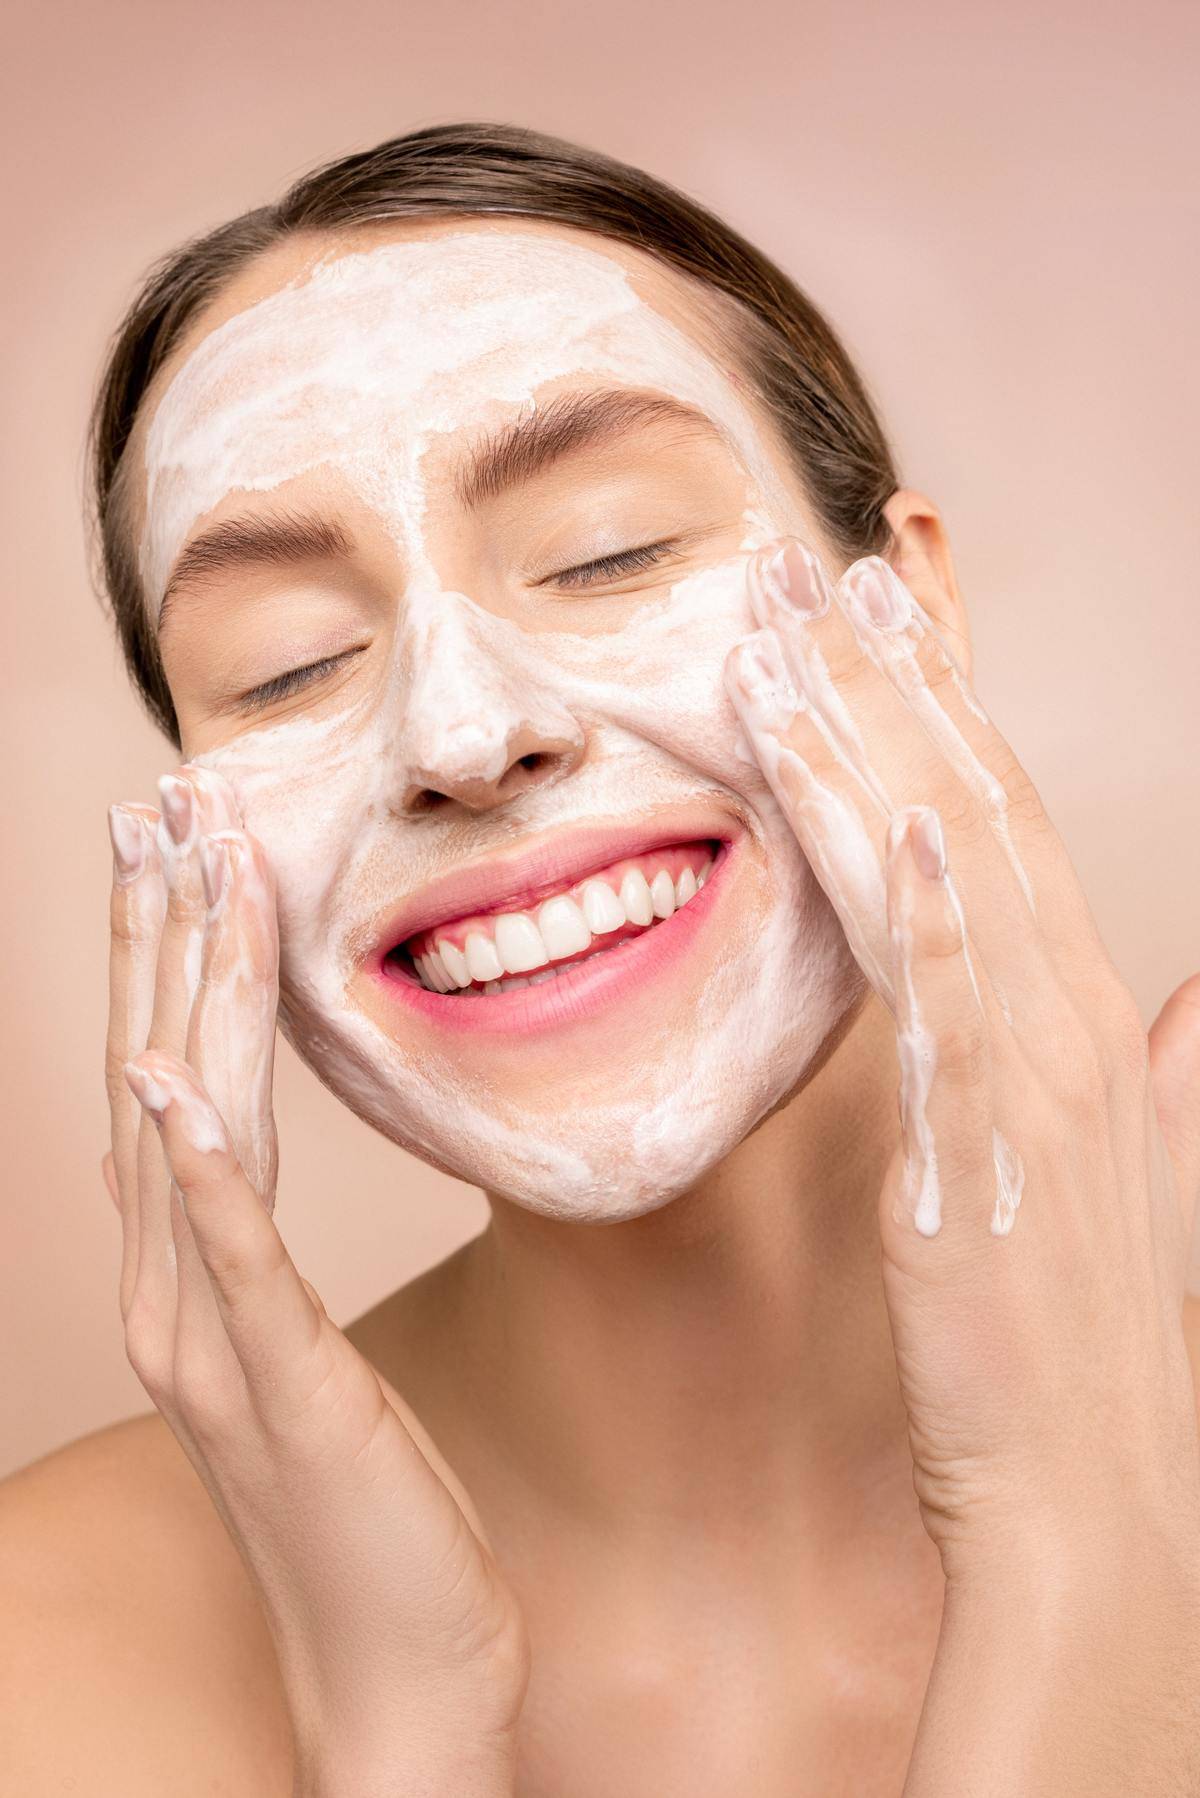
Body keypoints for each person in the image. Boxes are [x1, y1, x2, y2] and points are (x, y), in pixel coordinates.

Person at [2, 121, 1198, 1796]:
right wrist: (406, 1730)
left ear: (906, 609)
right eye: (285, 667)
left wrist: (1083, 1524)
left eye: (609, 550)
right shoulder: (42, 1652)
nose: (466, 733)